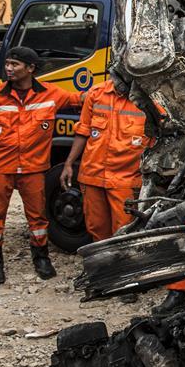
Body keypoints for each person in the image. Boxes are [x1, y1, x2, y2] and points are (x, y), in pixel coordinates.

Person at [0, 47, 85, 285]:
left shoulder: (52, 94)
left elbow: (82, 99)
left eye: (15, 64)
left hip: (33, 167)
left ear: (31, 69)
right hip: (1, 166)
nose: (8, 68)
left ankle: (41, 258)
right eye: (8, 64)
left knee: (38, 217)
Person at [60, 70, 150, 243]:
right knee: (96, 230)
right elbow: (83, 130)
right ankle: (102, 267)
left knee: (124, 234)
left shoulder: (149, 101)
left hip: (125, 181)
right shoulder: (96, 93)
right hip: (92, 175)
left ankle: (120, 268)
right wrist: (69, 163)